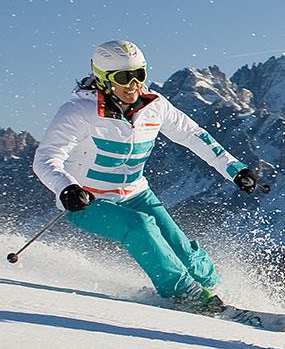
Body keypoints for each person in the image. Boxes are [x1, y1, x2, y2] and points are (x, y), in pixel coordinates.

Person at [31, 40, 264, 314]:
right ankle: (183, 295)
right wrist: (66, 188)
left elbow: (193, 135)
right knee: (139, 227)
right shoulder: (79, 112)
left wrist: (234, 169)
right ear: (104, 79)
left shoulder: (155, 106)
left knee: (183, 251)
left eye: (138, 75)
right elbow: (45, 158)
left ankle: (213, 288)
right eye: (123, 77)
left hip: (136, 192)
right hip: (87, 202)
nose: (133, 84)